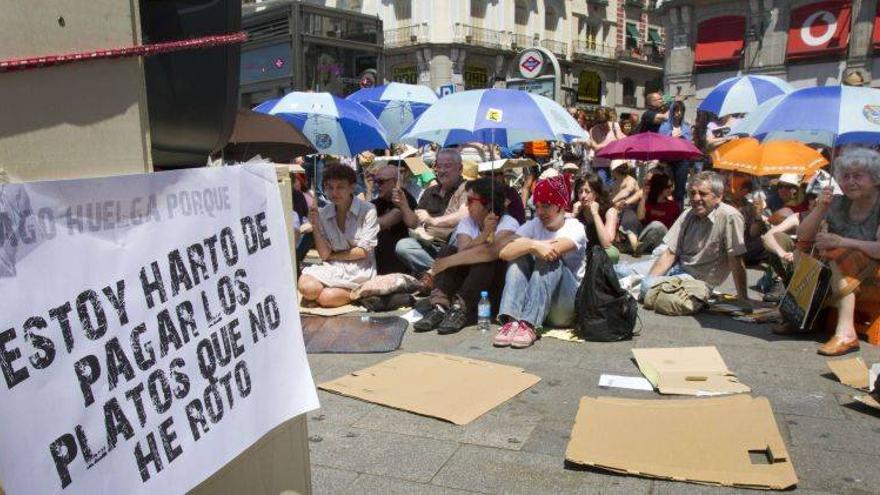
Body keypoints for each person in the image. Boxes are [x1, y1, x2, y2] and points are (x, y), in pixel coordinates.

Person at [794, 147, 880, 356]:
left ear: (875, 178)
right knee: (803, 250)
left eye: (858, 176)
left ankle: (846, 334)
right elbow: (802, 236)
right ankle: (800, 315)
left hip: (874, 269)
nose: (850, 181)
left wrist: (842, 241)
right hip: (842, 268)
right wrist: (821, 208)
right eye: (846, 176)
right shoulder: (838, 202)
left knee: (838, 254)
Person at [413, 179, 519, 334]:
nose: (466, 205)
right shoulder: (468, 221)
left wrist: (445, 263)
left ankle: (460, 309)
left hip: (489, 290)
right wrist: (483, 235)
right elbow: (462, 251)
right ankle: (440, 306)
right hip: (467, 280)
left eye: (470, 201)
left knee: (484, 260)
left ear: (487, 203)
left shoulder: (508, 222)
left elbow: (490, 252)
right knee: (447, 250)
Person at [626, 171, 750, 302]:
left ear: (718, 197)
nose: (696, 198)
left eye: (702, 194)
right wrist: (650, 280)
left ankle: (635, 288)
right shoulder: (688, 213)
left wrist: (743, 297)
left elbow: (736, 259)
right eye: (692, 193)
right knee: (620, 271)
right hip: (676, 266)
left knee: (646, 287)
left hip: (695, 279)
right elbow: (670, 253)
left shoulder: (730, 216)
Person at [495, 176, 588, 348]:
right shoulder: (534, 224)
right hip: (537, 298)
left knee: (550, 257)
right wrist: (532, 245)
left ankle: (529, 324)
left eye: (546, 206)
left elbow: (550, 251)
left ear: (561, 206)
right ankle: (512, 320)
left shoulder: (575, 227)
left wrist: (528, 245)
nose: (540, 212)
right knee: (520, 256)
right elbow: (503, 251)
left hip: (564, 306)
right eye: (537, 206)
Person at [299, 164, 379, 308]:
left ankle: (355, 293)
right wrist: (315, 225)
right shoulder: (323, 213)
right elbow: (324, 255)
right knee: (307, 288)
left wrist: (333, 256)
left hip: (359, 270)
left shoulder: (368, 210)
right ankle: (327, 294)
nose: (334, 193)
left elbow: (362, 252)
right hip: (333, 267)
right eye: (329, 187)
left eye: (340, 187)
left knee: (326, 298)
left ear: (352, 187)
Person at [393, 148, 468, 277]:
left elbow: (464, 215)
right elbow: (414, 222)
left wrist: (433, 221)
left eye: (447, 166)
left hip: (453, 247)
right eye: (439, 166)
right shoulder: (430, 191)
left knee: (462, 228)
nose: (442, 170)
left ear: (460, 169)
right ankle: (443, 275)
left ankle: (438, 276)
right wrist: (403, 205)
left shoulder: (467, 187)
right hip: (429, 246)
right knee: (403, 246)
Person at [369, 164, 417, 275]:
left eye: (381, 182)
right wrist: (368, 190)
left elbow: (383, 223)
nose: (377, 185)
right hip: (379, 259)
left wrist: (365, 221)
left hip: (396, 259)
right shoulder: (381, 200)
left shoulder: (404, 199)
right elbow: (364, 213)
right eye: (375, 181)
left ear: (395, 182)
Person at [573, 172, 620, 263]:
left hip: (600, 252)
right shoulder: (576, 209)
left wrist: (595, 214)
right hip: (583, 251)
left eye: (587, 191)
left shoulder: (610, 211)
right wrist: (573, 215)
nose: (583, 196)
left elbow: (607, 244)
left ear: (597, 194)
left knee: (611, 253)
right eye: (580, 192)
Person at [634, 171, 681, 255]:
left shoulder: (673, 205)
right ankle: (639, 248)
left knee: (657, 225)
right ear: (660, 187)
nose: (671, 189)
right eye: (668, 186)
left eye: (672, 186)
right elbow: (640, 217)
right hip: (647, 239)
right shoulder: (647, 203)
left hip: (663, 241)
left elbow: (678, 227)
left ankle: (638, 248)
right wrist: (644, 196)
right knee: (655, 225)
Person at [659, 100, 694, 208]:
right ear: (671, 111)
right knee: (666, 188)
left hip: (682, 161)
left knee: (680, 190)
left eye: (681, 111)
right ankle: (666, 211)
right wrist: (671, 138)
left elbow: (689, 144)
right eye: (676, 110)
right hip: (667, 161)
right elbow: (660, 143)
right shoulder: (664, 126)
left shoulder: (686, 127)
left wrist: (682, 138)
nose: (678, 113)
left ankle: (678, 212)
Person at [589, 107, 624, 184]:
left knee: (614, 190)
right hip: (600, 166)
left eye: (605, 121)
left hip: (615, 165)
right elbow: (595, 147)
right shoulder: (593, 130)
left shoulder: (615, 126)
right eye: (600, 122)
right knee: (604, 190)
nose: (603, 124)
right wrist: (611, 142)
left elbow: (621, 140)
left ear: (609, 118)